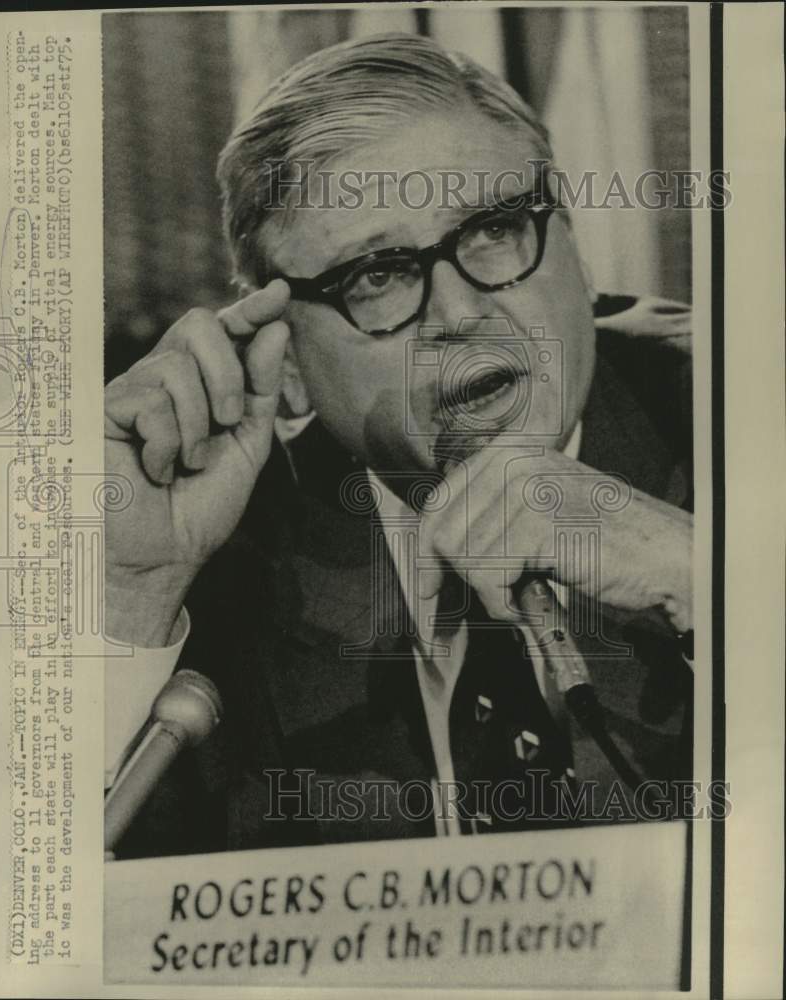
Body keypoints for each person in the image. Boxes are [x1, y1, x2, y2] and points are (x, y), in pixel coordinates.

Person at [104, 33, 693, 857]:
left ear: (572, 244)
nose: (458, 315)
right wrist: (130, 597)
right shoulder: (226, 556)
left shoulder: (742, 411)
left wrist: (717, 584)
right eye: (375, 276)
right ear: (289, 361)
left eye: (492, 230)